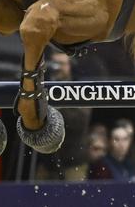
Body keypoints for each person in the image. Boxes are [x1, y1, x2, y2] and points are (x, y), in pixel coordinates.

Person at [34, 51, 93, 180]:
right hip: (46, 159)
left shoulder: (80, 89)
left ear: (70, 66)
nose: (58, 67)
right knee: (38, 195)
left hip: (74, 159)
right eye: (55, 64)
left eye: (62, 64)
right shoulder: (42, 87)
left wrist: (53, 108)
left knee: (74, 196)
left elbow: (80, 121)